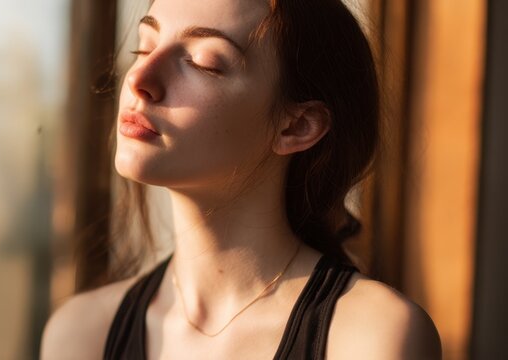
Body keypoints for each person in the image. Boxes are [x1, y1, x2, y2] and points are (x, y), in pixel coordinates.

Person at [41, 0, 442, 358]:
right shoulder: (80, 335)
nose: (139, 78)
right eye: (144, 47)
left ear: (297, 126)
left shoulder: (371, 338)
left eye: (203, 62)